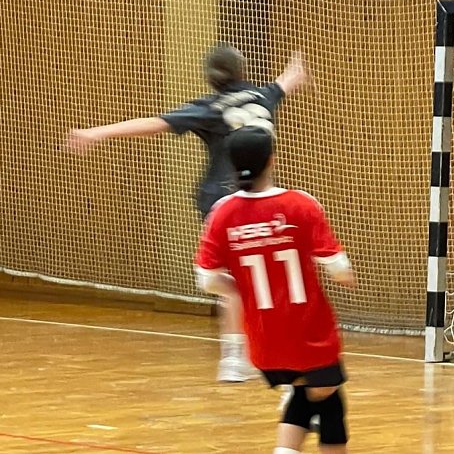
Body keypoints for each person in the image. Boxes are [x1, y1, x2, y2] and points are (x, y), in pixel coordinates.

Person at [66, 45, 311, 383]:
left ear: (211, 79)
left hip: (220, 198)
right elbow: (288, 81)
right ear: (242, 70)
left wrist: (97, 132)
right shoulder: (263, 95)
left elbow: (154, 124)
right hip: (261, 199)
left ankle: (234, 359)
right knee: (264, 275)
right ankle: (272, 351)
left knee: (234, 280)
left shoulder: (208, 108)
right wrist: (295, 65)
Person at [195, 126, 356, 453]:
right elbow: (339, 269)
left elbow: (207, 279)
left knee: (313, 394)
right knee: (326, 398)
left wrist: (241, 289)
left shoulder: (222, 213)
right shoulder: (300, 204)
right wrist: (346, 274)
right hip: (310, 332)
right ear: (272, 159)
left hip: (264, 339)